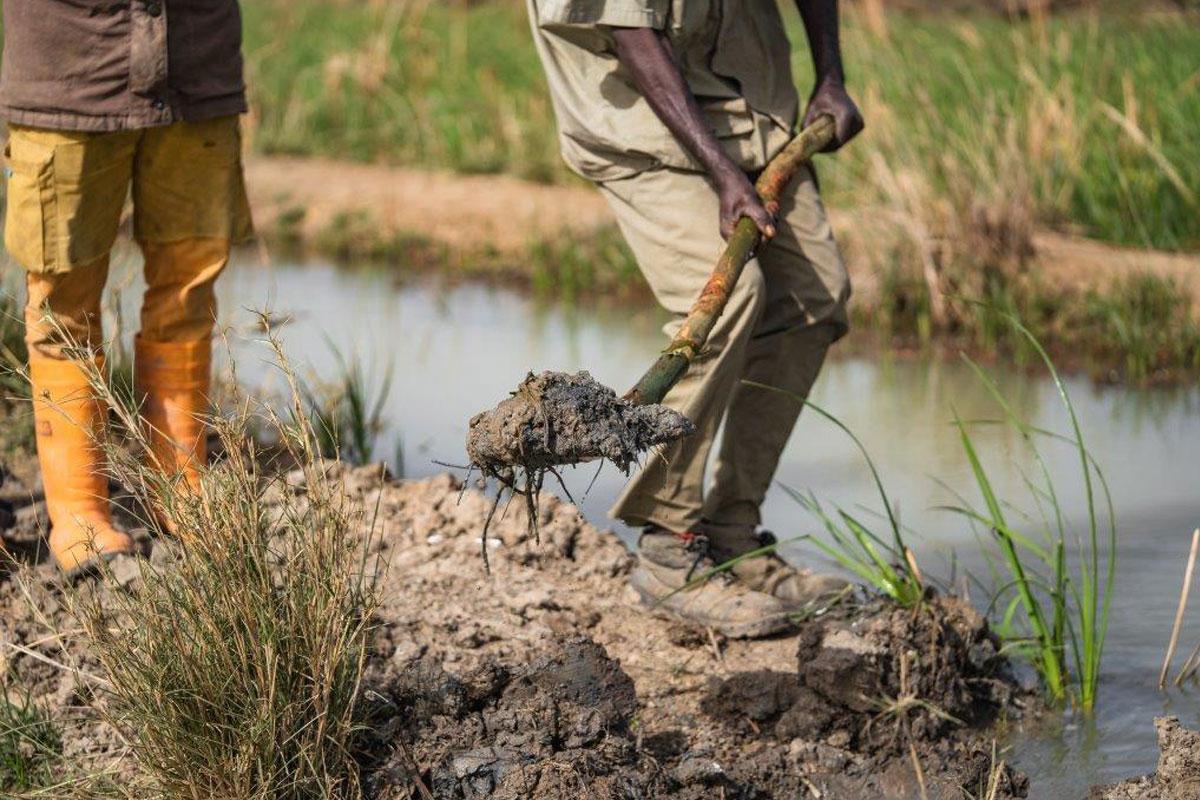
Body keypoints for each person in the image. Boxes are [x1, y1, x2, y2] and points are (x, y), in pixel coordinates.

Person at [526, 0, 863, 637]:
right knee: (728, 300)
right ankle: (668, 547)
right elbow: (631, 31)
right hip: (639, 124)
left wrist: (830, 78)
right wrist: (721, 174)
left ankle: (732, 535)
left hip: (750, 106)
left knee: (814, 301)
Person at [1, 1, 252, 574]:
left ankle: (179, 486)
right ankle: (80, 513)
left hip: (198, 65)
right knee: (62, 307)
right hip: (68, 71)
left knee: (189, 292)